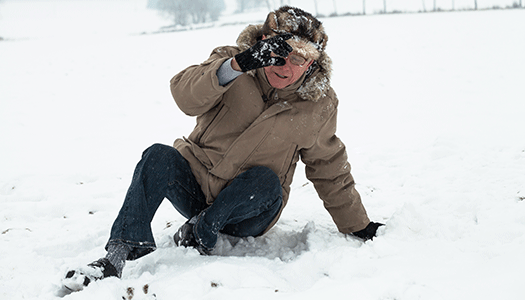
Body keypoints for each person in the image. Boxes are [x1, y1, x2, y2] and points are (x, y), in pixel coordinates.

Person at [62, 6, 384, 292]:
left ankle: (203, 228)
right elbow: (184, 96)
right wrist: (237, 65)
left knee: (264, 180)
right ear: (260, 45)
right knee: (156, 156)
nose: (284, 65)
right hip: (196, 187)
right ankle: (117, 255)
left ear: (312, 63)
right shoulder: (229, 63)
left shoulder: (318, 104)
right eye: (276, 53)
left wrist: (358, 225)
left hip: (251, 208)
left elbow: (328, 165)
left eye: (297, 58)